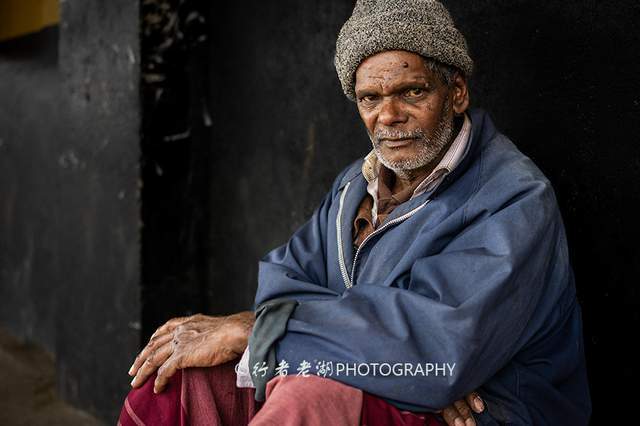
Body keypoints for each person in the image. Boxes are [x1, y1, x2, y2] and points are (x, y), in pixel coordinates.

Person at [121, 0, 591, 424]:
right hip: (391, 385)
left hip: (488, 414)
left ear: (457, 93)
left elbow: (444, 350)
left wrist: (263, 330)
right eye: (371, 98)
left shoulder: (514, 197)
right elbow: (284, 285)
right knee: (176, 380)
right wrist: (396, 368)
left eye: (411, 92)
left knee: (311, 397)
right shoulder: (355, 185)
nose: (388, 116)